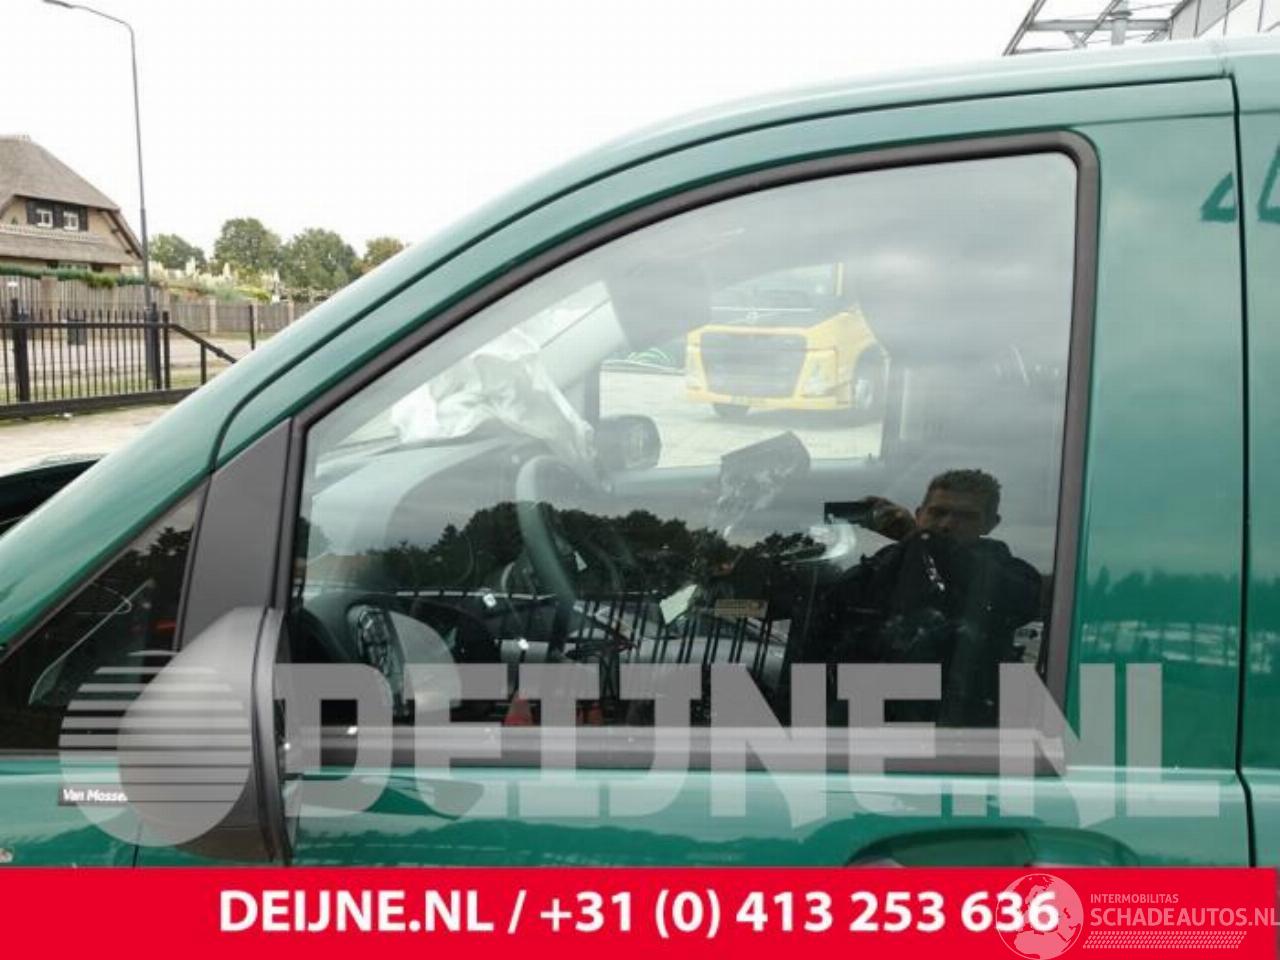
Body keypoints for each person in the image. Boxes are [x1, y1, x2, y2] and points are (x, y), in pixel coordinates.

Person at [808, 469, 1042, 725]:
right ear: (920, 514)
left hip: (965, 729)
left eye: (966, 516)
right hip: (869, 721)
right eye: (938, 512)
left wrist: (924, 541)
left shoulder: (1010, 574)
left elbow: (1016, 599)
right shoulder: (884, 565)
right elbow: (825, 619)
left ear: (990, 524)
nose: (947, 525)